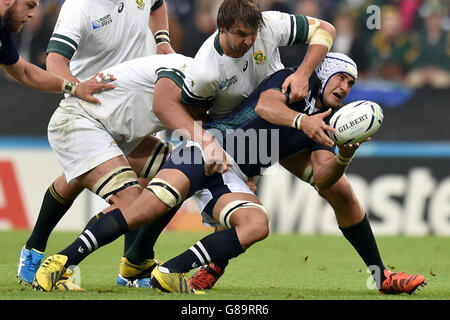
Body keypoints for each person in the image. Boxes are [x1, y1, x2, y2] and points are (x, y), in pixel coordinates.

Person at [33, 52, 425, 295]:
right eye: (342, 77)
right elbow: (269, 108)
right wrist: (303, 124)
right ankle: (61, 262)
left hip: (232, 172)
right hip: (208, 147)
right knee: (145, 209)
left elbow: (324, 178)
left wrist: (344, 155)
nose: (346, 87)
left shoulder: (326, 125)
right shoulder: (292, 83)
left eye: (353, 84)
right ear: (324, 72)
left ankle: (169, 272)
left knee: (257, 224)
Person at [16, 0, 176, 288]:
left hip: (131, 110)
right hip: (92, 110)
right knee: (113, 191)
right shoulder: (80, 6)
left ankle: (133, 265)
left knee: (170, 176)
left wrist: (162, 40)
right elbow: (55, 61)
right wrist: (76, 87)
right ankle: (36, 251)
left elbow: (156, 5)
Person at [0, 0, 114, 104]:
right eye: (29, 6)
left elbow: (26, 72)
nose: (31, 14)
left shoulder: (3, 34)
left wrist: (75, 88)